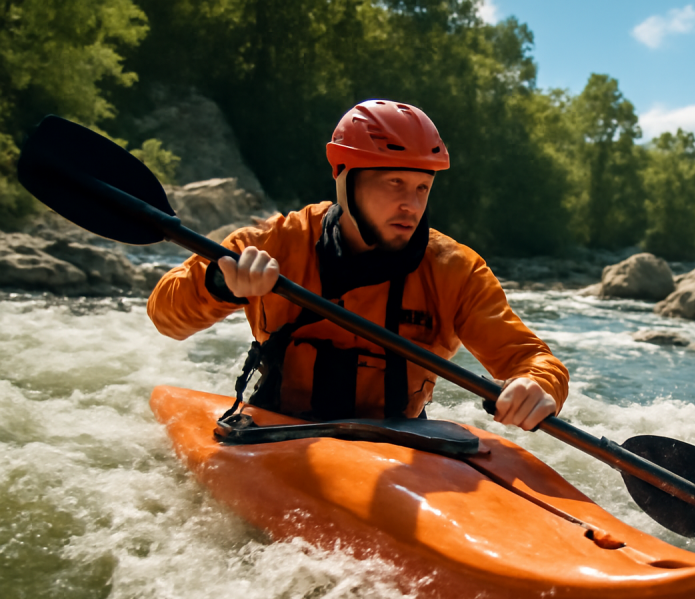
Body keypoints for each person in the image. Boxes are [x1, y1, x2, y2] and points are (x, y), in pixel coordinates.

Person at [147, 99, 568, 431]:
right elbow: (166, 317)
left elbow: (531, 358)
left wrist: (537, 384)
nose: (412, 204)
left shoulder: (455, 270)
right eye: (394, 183)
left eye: (423, 187)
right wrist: (220, 284)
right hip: (276, 429)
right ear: (345, 176)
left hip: (396, 442)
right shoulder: (275, 243)